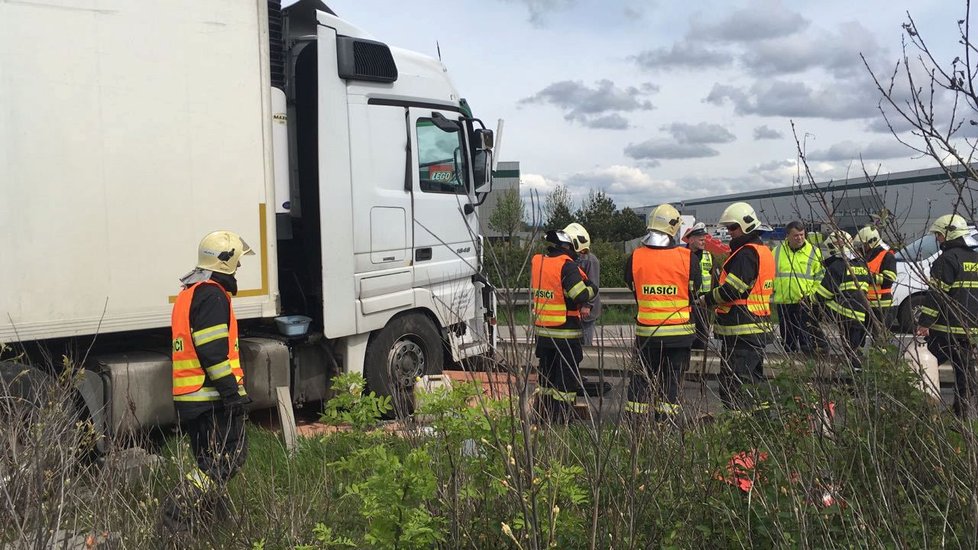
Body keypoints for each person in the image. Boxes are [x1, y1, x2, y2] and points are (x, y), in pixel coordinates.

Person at [164, 230, 254, 529]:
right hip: (209, 397)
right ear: (225, 262)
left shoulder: (190, 292)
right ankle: (175, 513)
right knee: (228, 459)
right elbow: (213, 352)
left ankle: (212, 527)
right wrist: (232, 394)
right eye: (237, 262)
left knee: (209, 465)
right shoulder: (212, 295)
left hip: (193, 397)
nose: (239, 268)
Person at [624, 204, 700, 420]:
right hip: (680, 334)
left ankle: (635, 426)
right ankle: (664, 427)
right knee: (671, 381)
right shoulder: (688, 258)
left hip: (647, 334)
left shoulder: (636, 257)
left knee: (640, 380)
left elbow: (632, 285)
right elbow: (695, 293)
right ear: (674, 228)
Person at [703, 202, 775, 410]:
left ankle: (740, 430)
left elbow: (731, 291)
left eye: (733, 228)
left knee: (734, 386)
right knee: (754, 383)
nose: (729, 233)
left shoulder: (746, 254)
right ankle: (760, 423)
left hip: (741, 329)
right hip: (755, 326)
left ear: (747, 225)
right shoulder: (762, 251)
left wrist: (706, 300)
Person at [530, 229, 598, 422]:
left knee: (546, 377)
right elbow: (580, 295)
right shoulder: (567, 266)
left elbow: (555, 290)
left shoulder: (539, 262)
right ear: (570, 246)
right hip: (565, 333)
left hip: (543, 332)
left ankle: (543, 416)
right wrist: (592, 288)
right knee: (565, 379)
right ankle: (562, 419)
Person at [916, 214, 978, 418]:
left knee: (924, 364)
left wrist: (924, 323)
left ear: (948, 234)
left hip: (947, 329)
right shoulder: (975, 259)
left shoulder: (946, 260)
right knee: (965, 373)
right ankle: (963, 414)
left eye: (939, 236)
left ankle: (924, 410)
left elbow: (936, 296)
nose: (938, 240)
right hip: (971, 329)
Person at [811, 231, 872, 373]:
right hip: (861, 312)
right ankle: (856, 373)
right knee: (852, 346)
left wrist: (810, 300)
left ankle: (819, 344)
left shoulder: (839, 265)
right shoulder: (861, 263)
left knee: (811, 311)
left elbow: (823, 294)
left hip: (844, 310)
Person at [771, 221, 824, 354]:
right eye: (796, 236)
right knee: (788, 338)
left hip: (805, 301)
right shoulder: (777, 251)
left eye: (801, 235)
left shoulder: (814, 252)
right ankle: (790, 363)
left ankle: (808, 364)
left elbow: (820, 277)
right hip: (783, 300)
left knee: (806, 337)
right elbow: (771, 273)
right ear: (787, 236)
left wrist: (811, 295)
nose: (799, 238)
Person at [563, 222, 601, 346]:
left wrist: (587, 305)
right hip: (572, 311)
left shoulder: (590, 260)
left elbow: (593, 284)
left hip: (586, 313)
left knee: (585, 345)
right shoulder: (567, 260)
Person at [856, 225, 897, 336]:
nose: (861, 247)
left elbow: (889, 278)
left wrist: (867, 277)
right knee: (859, 337)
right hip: (864, 303)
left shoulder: (887, 256)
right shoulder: (863, 257)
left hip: (881, 306)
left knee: (879, 338)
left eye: (863, 244)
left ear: (871, 242)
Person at [682, 222, 714, 350]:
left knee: (702, 339)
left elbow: (714, 278)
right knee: (686, 338)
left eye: (704, 239)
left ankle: (699, 366)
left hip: (703, 304)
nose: (703, 242)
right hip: (686, 303)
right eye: (701, 239)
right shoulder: (681, 255)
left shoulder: (709, 256)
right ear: (691, 239)